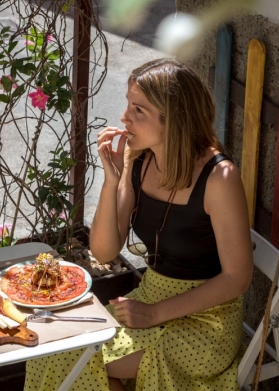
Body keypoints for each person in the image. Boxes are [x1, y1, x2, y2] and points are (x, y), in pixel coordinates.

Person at [24, 58, 253, 391]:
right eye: (128, 105)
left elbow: (237, 277)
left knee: (75, 359)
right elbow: (103, 250)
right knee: (52, 348)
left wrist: (155, 313)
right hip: (149, 299)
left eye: (139, 110)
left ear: (175, 118)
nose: (124, 117)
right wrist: (111, 179)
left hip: (206, 321)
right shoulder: (139, 160)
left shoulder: (219, 178)